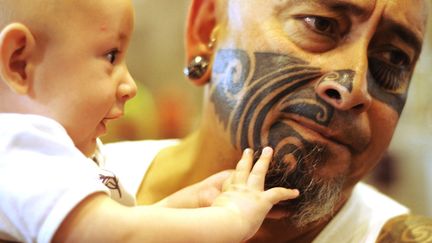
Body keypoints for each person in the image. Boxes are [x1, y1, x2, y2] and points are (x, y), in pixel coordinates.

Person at [103, 0, 432, 242]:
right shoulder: (67, 188)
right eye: (320, 24)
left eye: (395, 58)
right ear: (206, 31)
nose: (354, 87)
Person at [0, 1, 300, 242]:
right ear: (19, 63)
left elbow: (121, 226)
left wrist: (184, 204)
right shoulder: (20, 148)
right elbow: (119, 235)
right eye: (111, 56)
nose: (130, 85)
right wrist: (230, 218)